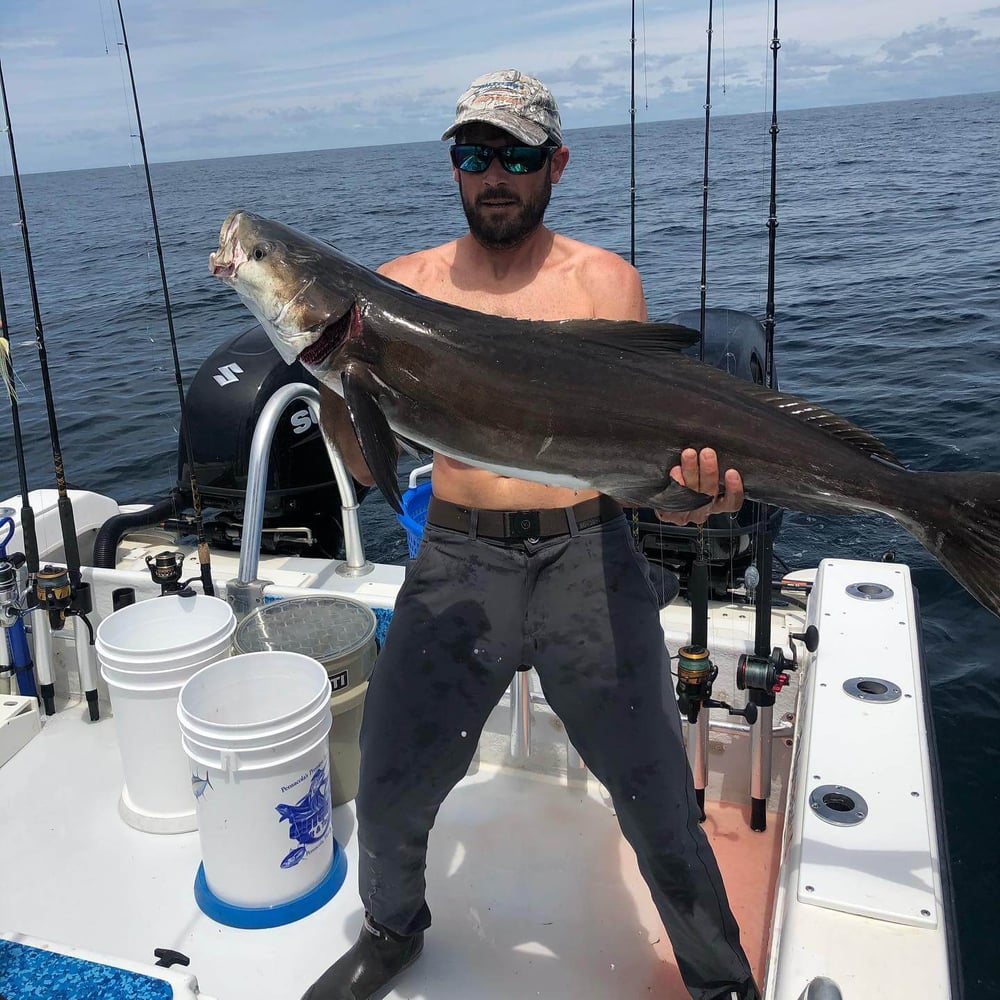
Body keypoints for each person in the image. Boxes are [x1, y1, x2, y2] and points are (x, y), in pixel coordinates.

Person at [306, 69, 760, 1000]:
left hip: (586, 552)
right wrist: (328, 375)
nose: (495, 176)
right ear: (456, 167)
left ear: (555, 163)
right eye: (476, 156)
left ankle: (720, 983)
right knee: (391, 783)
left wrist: (696, 500)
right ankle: (391, 931)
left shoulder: (604, 282)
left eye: (515, 155)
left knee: (660, 805)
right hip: (457, 557)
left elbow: (637, 473)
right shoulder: (400, 288)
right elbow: (362, 467)